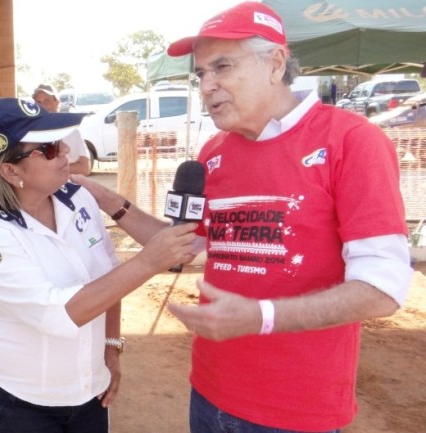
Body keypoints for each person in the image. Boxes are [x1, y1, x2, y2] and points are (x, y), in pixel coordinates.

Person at [76, 2, 413, 432]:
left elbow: (383, 287)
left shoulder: (352, 141)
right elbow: (185, 247)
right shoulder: (214, 153)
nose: (207, 86)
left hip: (295, 410)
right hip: (210, 392)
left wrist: (261, 316)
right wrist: (109, 200)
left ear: (275, 64)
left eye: (222, 67)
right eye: (200, 74)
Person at [0, 98, 197, 433]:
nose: (67, 154)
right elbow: (55, 314)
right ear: (11, 171)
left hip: (89, 393)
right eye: (51, 148)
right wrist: (148, 262)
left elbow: (108, 278)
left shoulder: (76, 198)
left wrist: (111, 347)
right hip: (18, 401)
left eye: (63, 142)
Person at [32, 84, 93, 176]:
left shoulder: (72, 131)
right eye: (38, 102)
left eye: (47, 100)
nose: (42, 106)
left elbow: (85, 168)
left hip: (69, 186)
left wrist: (52, 170)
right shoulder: (31, 133)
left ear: (57, 102)